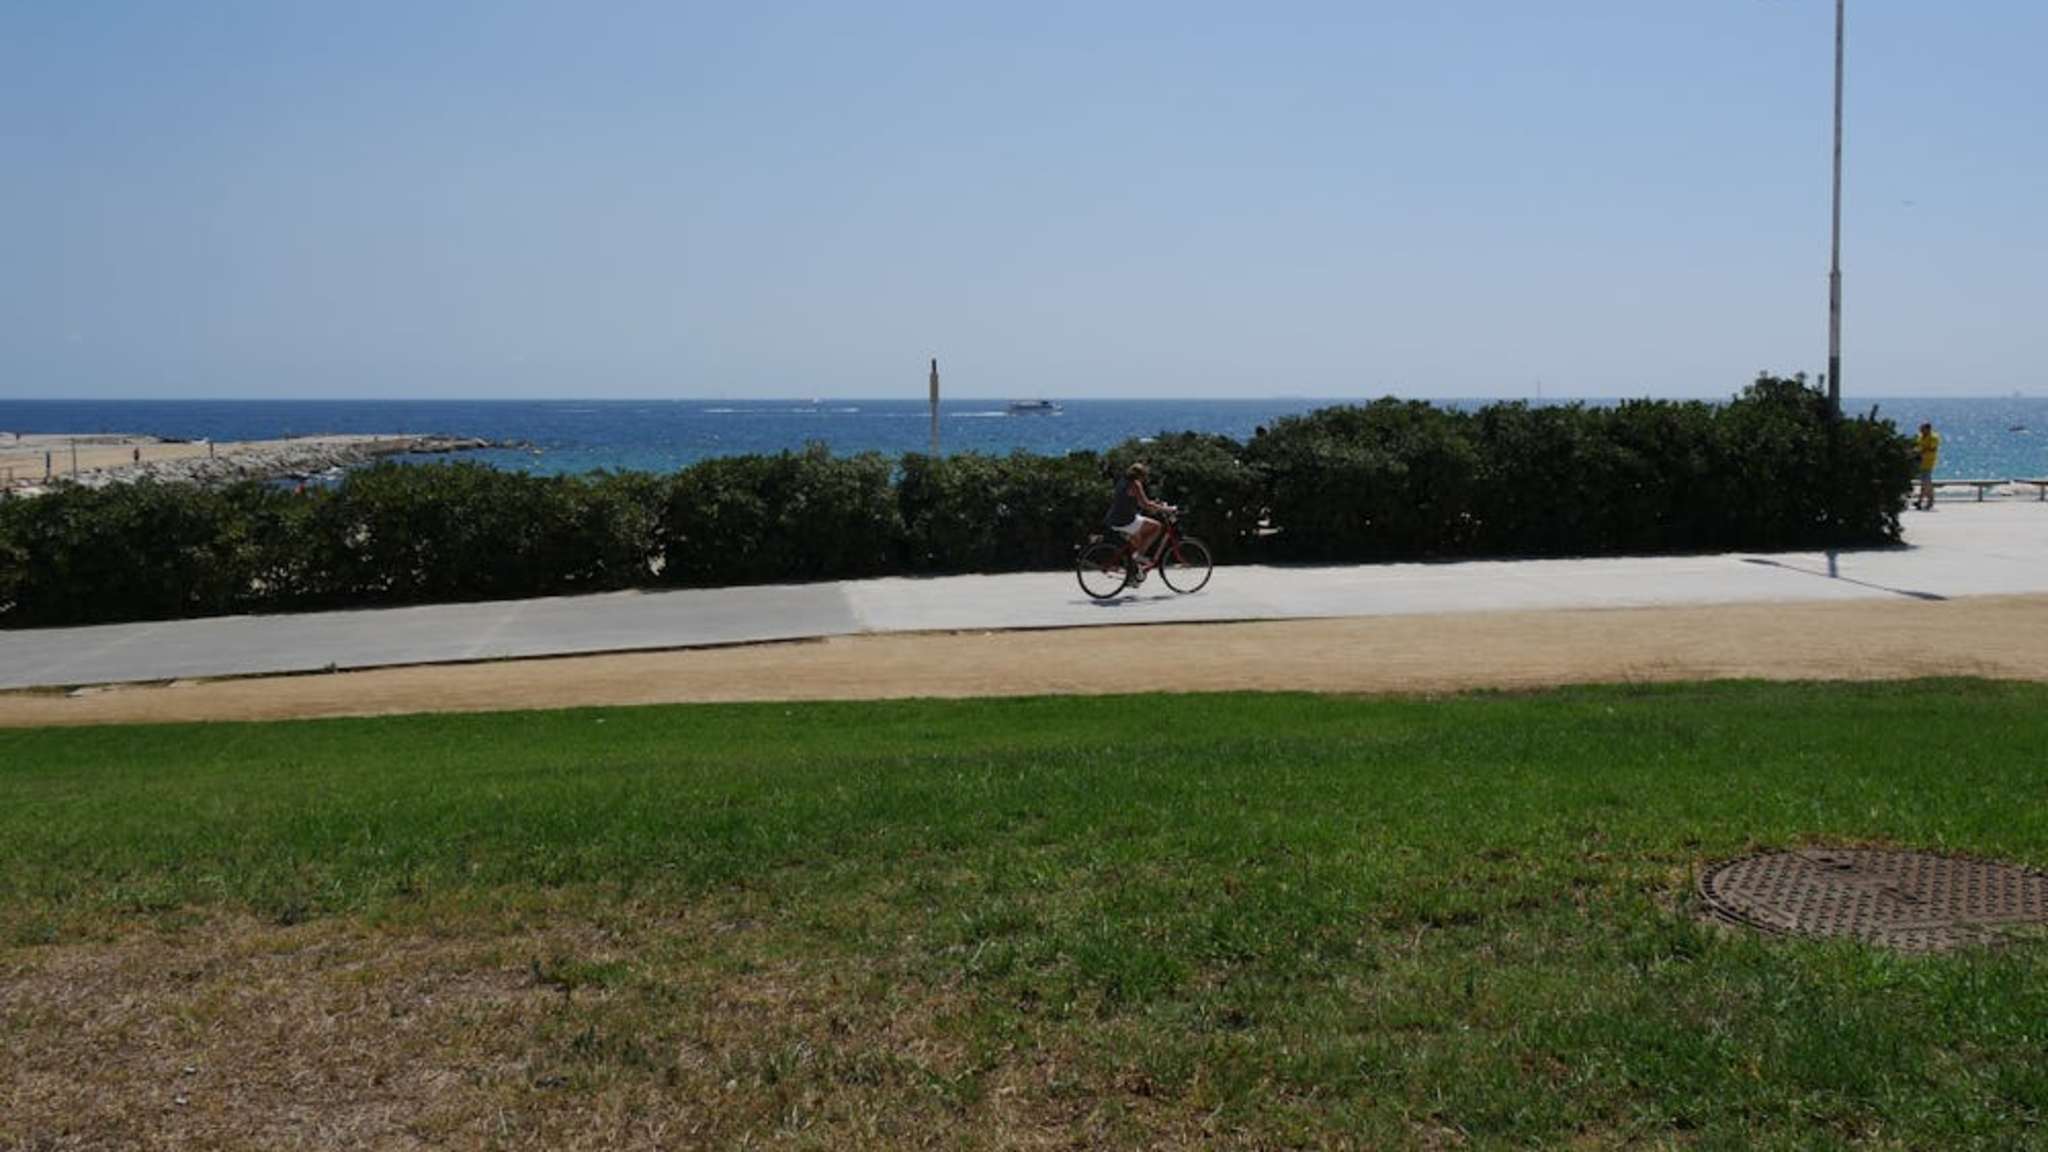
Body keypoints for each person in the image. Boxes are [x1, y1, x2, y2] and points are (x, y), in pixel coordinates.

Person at [1105, 462, 1175, 581]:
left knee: (1139, 540)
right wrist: (1166, 509)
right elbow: (1145, 504)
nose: (1145, 478)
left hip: (1114, 518)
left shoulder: (1123, 481)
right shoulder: (1135, 483)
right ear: (1140, 475)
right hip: (1125, 520)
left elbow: (1138, 501)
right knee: (1157, 527)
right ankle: (1139, 557)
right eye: (1144, 476)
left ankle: (1132, 574)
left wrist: (1155, 505)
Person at [1914, 422, 1941, 511]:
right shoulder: (1920, 437)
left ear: (1928, 429)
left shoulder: (1934, 437)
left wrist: (1920, 452)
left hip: (1928, 462)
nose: (1921, 431)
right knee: (1924, 483)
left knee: (1926, 483)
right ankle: (1920, 501)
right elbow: (1917, 446)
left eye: (1923, 429)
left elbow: (1932, 448)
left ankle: (1930, 501)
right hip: (1920, 462)